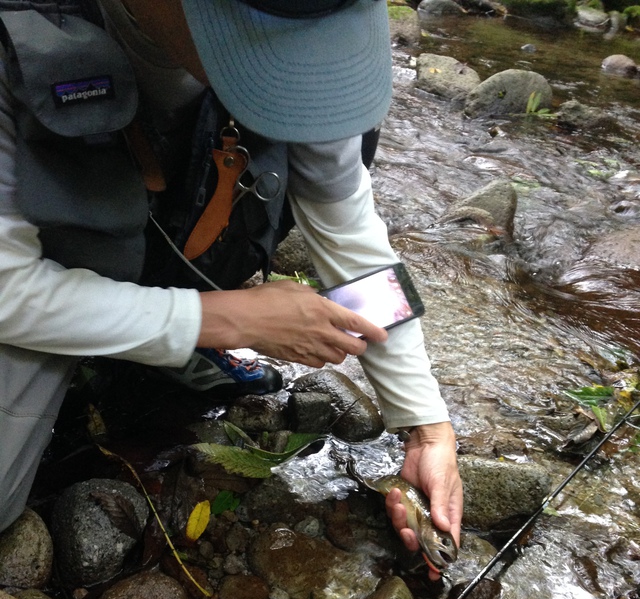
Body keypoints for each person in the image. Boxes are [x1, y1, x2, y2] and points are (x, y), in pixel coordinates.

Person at [0, 0, 462, 565]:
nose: (298, 63)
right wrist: (231, 319)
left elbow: (355, 240)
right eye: (262, 37)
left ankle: (153, 344)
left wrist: (426, 424)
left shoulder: (301, 44)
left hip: (158, 242)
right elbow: (6, 289)